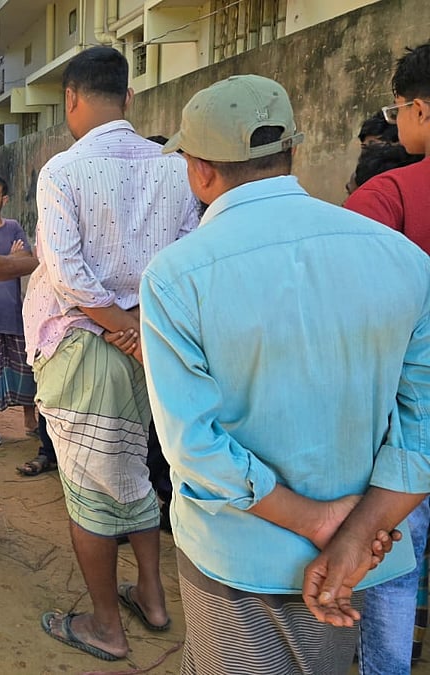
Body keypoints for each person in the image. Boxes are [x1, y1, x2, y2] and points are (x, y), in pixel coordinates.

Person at [142, 73, 429, 673]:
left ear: (198, 170)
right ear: (292, 152)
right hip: (363, 555)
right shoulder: (402, 259)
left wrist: (317, 521)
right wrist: (356, 531)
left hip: (239, 556)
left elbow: (192, 446)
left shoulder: (176, 277)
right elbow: (420, 425)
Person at [25, 46, 199, 661]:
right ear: (128, 99)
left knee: (91, 491)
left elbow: (67, 273)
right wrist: (138, 328)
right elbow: (184, 262)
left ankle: (106, 625)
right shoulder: (177, 171)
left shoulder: (62, 173)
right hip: (149, 351)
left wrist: (116, 325)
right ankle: (150, 597)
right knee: (133, 478)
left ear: (71, 98)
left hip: (82, 349)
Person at [343, 42, 430, 675]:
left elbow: (341, 311)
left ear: (419, 109)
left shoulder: (391, 195)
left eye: (397, 108)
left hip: (409, 421)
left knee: (395, 570)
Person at [0, 174, 38, 449]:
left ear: (5, 199)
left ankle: (31, 422)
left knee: (26, 370)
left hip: (14, 314)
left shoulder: (13, 227)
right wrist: (8, 261)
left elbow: (29, 259)